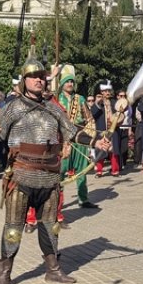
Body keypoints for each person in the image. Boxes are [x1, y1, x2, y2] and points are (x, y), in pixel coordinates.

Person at [0, 51, 112, 284]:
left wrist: (96, 142)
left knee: (50, 226)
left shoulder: (53, 109)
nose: (39, 80)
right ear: (24, 80)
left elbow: (72, 131)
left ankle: (53, 270)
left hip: (49, 176)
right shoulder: (12, 108)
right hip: (21, 175)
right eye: (33, 76)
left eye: (42, 77)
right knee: (13, 228)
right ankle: (5, 274)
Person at [56, 66, 99, 209]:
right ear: (62, 83)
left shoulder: (80, 99)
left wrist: (89, 136)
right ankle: (58, 203)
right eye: (67, 82)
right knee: (61, 171)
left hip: (79, 137)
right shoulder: (56, 98)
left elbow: (89, 119)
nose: (70, 84)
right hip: (64, 139)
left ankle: (83, 199)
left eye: (71, 82)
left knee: (81, 170)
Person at [90, 80, 122, 177]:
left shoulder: (114, 102)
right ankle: (99, 171)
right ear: (102, 92)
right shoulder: (98, 103)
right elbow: (93, 113)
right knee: (101, 149)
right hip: (102, 130)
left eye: (109, 91)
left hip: (113, 129)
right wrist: (97, 103)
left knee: (114, 151)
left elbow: (120, 113)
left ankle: (115, 170)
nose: (107, 93)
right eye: (105, 91)